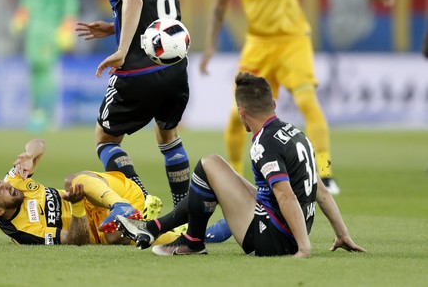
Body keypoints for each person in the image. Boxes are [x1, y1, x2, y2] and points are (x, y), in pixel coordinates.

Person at [199, 0, 395, 195]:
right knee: (236, 114)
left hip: (294, 40)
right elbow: (220, 6)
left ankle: (325, 173)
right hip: (258, 44)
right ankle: (234, 178)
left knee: (307, 102)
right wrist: (211, 46)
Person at [116, 72, 366, 257]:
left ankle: (191, 242)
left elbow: (286, 196)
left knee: (208, 165)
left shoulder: (263, 145)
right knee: (219, 174)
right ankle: (155, 228)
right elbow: (320, 190)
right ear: (274, 105)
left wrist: (303, 249)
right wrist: (342, 234)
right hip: (284, 227)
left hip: (271, 238)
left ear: (241, 113)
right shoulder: (296, 134)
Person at [69, 0, 191, 220]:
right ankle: (184, 213)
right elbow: (160, 9)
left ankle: (142, 200)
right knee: (168, 134)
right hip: (174, 67)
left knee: (105, 139)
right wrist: (114, 26)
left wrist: (121, 49)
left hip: (137, 69)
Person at [0, 138, 179, 245]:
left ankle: (120, 205)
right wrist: (76, 205)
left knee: (74, 180)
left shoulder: (14, 181)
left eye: (1, 182)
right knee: (178, 239)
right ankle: (192, 228)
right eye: (1, 192)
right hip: (110, 230)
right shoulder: (24, 232)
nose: (8, 186)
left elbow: (39, 144)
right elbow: (76, 241)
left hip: (109, 195)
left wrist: (28, 153)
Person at [11, 0, 79, 132]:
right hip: (33, 32)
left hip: (51, 30)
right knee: (34, 69)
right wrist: (20, 18)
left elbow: (70, 3)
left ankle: (47, 115)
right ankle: (34, 112)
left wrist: (67, 28)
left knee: (47, 71)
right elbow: (27, 0)